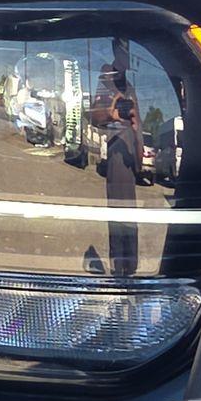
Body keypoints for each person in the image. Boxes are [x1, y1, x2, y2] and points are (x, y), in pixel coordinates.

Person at [89, 40, 143, 276]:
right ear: (115, 52)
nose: (126, 59)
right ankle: (118, 265)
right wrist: (110, 114)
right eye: (123, 53)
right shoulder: (106, 77)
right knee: (117, 211)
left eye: (128, 54)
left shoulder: (130, 86)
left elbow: (138, 124)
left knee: (130, 213)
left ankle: (130, 266)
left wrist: (137, 131)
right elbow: (94, 116)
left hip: (130, 155)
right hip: (115, 153)